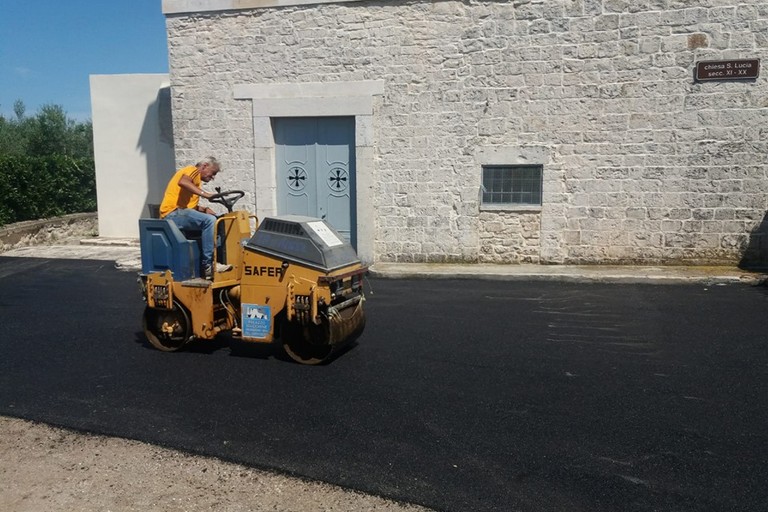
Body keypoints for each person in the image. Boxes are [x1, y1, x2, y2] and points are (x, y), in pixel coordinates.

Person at [159, 156, 232, 279]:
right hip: (171, 213)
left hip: (180, 212)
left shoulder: (195, 182)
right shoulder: (192, 170)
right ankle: (208, 265)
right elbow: (183, 182)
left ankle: (218, 259)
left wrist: (204, 209)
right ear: (204, 166)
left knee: (218, 220)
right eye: (213, 173)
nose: (213, 177)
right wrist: (206, 194)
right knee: (209, 221)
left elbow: (189, 207)